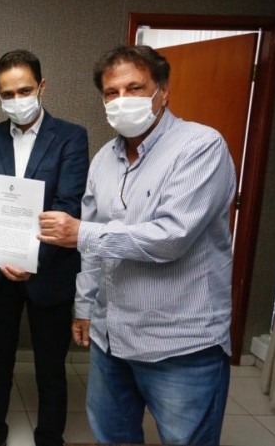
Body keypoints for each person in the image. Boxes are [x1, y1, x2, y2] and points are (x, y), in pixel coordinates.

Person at [38, 45, 235, 446]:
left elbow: (171, 237)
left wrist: (81, 233)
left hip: (179, 345)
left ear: (163, 91)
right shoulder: (103, 160)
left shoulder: (200, 147)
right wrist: (85, 307)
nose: (122, 100)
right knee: (113, 437)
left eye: (135, 88)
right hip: (111, 338)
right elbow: (94, 248)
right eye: (112, 93)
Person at [0, 50, 89, 446]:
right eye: (7, 94)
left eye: (24, 91)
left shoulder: (71, 137)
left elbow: (68, 204)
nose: (17, 100)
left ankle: (50, 435)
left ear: (41, 87)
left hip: (50, 269)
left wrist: (32, 260)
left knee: (51, 365)